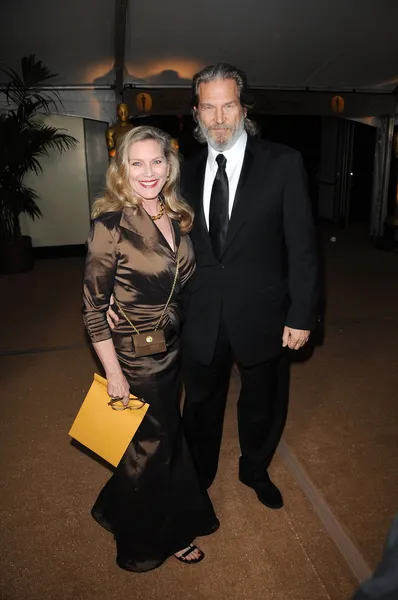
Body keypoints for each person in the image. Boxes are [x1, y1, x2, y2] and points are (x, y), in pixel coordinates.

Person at [107, 64, 318, 510]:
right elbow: (152, 240)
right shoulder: (181, 170)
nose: (219, 118)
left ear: (243, 108)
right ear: (197, 112)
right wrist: (117, 291)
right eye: (209, 107)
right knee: (200, 403)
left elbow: (303, 245)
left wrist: (302, 313)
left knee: (263, 400)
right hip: (200, 310)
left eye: (228, 106)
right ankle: (198, 474)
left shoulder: (283, 163)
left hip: (264, 312)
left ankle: (254, 468)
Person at [82, 125, 219, 573]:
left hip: (171, 349)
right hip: (136, 357)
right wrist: (114, 373)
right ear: (122, 169)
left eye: (156, 161)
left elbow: (181, 282)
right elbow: (92, 309)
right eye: (136, 163)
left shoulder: (178, 214)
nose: (147, 172)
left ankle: (114, 508)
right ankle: (150, 541)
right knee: (151, 446)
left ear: (169, 164)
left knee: (162, 438)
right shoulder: (110, 225)